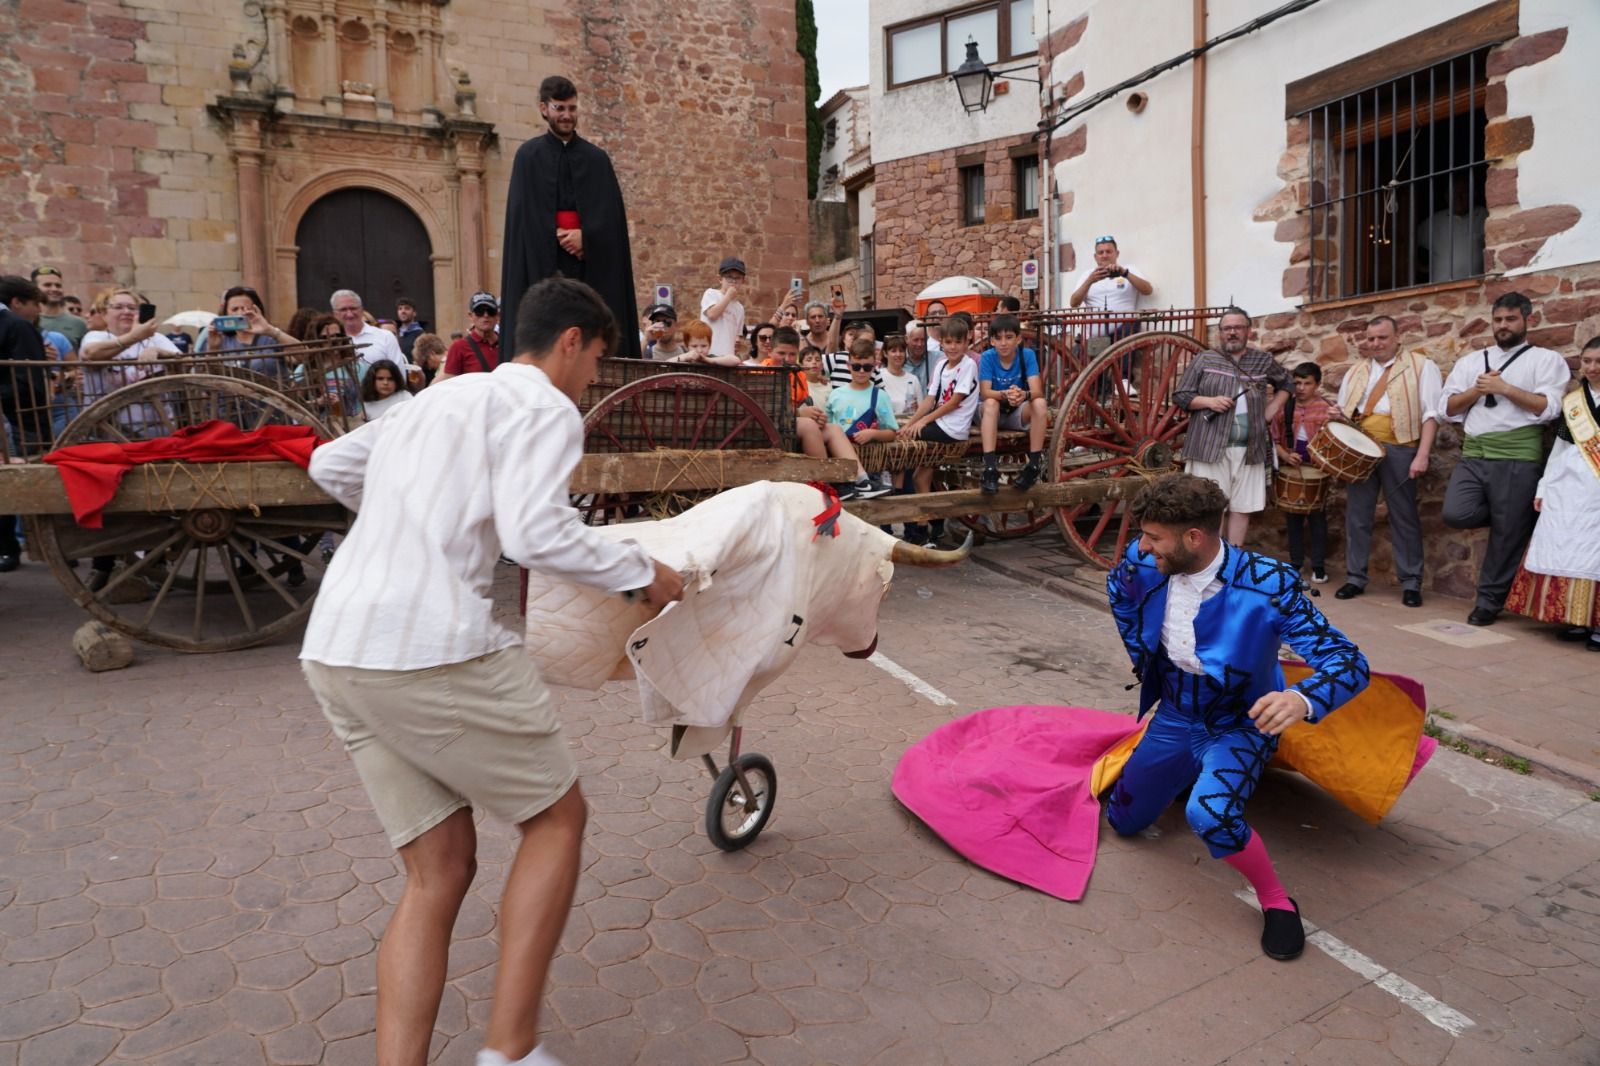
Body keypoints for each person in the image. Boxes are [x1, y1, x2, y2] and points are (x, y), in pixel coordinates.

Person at [300, 278, 683, 1066]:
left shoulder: (440, 398)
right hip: (431, 646)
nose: (593, 379)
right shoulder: (544, 405)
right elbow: (535, 531)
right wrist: (639, 571)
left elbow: (330, 466)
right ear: (571, 341)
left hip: (338, 647)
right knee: (557, 820)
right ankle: (511, 1053)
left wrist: (411, 517)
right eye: (597, 359)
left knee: (438, 871)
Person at [1107, 473, 1369, 961]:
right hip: (1175, 715)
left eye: (1154, 536)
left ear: (1194, 538)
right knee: (1124, 822)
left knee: (1209, 814)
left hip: (1240, 724)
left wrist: (1303, 698)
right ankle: (1185, 775)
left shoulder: (1272, 583)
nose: (1142, 546)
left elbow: (1349, 662)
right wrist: (1143, 656)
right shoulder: (1142, 562)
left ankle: (1276, 900)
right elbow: (1120, 592)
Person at [1440, 291, 1570, 626]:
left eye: (1510, 319)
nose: (1503, 325)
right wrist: (1477, 390)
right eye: (1498, 319)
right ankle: (1511, 517)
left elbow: (1550, 409)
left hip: (1517, 454)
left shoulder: (1545, 360)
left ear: (1528, 320)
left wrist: (1506, 389)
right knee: (1456, 512)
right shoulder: (1471, 361)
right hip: (1474, 453)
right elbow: (1448, 408)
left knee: (1507, 536)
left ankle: (1488, 602)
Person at [502, 76, 640, 361]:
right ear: (544, 108)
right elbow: (523, 221)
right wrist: (554, 234)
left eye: (572, 108)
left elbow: (612, 222)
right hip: (544, 266)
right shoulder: (528, 157)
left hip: (590, 267)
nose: (567, 115)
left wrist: (586, 237)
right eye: (559, 108)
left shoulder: (597, 159)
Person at [1333, 316, 1443, 607]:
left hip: (1401, 446)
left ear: (1397, 337)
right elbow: (1345, 414)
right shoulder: (1356, 371)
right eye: (1371, 338)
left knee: (1404, 516)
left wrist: (1422, 454)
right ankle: (1355, 577)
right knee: (1357, 515)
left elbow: (1431, 414)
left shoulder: (1422, 367)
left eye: (1382, 338)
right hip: (1361, 448)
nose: (1376, 343)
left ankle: (1411, 582)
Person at [1505, 337, 1600, 651]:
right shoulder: (1575, 401)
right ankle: (1576, 619)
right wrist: (1544, 487)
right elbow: (1560, 447)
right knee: (1569, 545)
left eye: (1599, 361)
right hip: (1569, 484)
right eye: (1587, 361)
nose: (1592, 367)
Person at [1175, 307, 1291, 546]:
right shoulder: (1206, 359)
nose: (1232, 332)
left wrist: (1271, 411)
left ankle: (1232, 559)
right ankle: (1210, 560)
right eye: (1227, 328)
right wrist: (1210, 401)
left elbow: (1287, 383)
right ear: (1220, 333)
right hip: (1210, 446)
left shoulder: (1263, 361)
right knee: (1211, 508)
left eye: (1238, 327)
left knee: (1242, 506)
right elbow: (1182, 395)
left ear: (1248, 331)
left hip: (1250, 447)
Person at [899, 316, 980, 546]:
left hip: (952, 429)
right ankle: (927, 531)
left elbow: (954, 402)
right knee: (919, 476)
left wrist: (922, 423)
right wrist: (912, 422)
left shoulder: (969, 366)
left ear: (966, 343)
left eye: (957, 342)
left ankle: (921, 528)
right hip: (939, 423)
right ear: (941, 343)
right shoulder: (941, 365)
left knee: (905, 446)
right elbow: (929, 400)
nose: (953, 347)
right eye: (948, 342)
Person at [0, 276, 55, 573]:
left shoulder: (17, 327)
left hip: (20, 420)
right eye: (35, 304)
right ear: (18, 302)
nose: (38, 311)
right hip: (17, 419)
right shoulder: (16, 325)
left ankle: (50, 545)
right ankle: (9, 546)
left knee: (31, 484)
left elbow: (29, 382)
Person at [1272, 362, 1338, 584]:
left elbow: (1336, 440)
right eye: (1297, 383)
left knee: (1318, 520)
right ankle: (1295, 563)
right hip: (1292, 468)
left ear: (1317, 384)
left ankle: (1318, 566)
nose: (1301, 388)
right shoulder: (1285, 408)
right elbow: (1274, 439)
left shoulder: (1326, 408)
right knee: (1293, 520)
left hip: (1317, 470)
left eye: (1306, 383)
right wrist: (1285, 455)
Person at [977, 313, 1047, 493]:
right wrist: (1006, 394)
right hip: (992, 412)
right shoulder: (988, 357)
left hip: (1016, 410)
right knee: (992, 403)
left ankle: (1033, 464)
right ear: (992, 341)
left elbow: (1037, 391)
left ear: (1018, 339)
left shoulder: (1027, 355)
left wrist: (1024, 394)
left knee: (1039, 403)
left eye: (1009, 337)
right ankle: (990, 468)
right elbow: (985, 392)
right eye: (998, 338)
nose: (1003, 343)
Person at [1069, 236, 1153, 358]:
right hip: (1096, 338)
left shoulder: (1129, 270)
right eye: (1100, 252)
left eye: (1108, 251)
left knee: (1123, 371)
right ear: (1095, 256)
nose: (1104, 255)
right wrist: (1090, 281)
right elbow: (1074, 303)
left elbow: (1148, 290)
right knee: (1099, 375)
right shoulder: (1087, 275)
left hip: (1124, 332)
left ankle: (1124, 377)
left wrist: (1125, 274)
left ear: (1116, 253)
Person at [198, 285, 297, 374]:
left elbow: (303, 357)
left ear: (256, 310)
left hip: (269, 393)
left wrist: (270, 330)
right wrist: (213, 349)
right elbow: (208, 378)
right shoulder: (220, 339)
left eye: (245, 308)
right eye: (234, 309)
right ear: (226, 313)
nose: (240, 313)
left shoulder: (270, 338)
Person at [827, 337, 899, 448]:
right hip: (839, 455)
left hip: (871, 457)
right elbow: (827, 429)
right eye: (856, 367)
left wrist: (874, 434)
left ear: (874, 366)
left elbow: (892, 433)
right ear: (848, 366)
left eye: (867, 367)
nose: (861, 371)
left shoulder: (881, 396)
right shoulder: (835, 394)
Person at [330, 289, 408, 378]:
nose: (349, 314)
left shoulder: (385, 337)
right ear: (334, 314)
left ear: (362, 310)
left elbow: (400, 376)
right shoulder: (329, 342)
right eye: (343, 310)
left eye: (353, 308)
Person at [436, 293, 502, 382]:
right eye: (480, 312)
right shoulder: (458, 347)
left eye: (490, 311)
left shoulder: (507, 344)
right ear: (471, 316)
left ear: (497, 315)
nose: (485, 315)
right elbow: (449, 384)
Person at [700, 256, 747, 365]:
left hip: (726, 358)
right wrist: (728, 297)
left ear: (743, 281)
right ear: (720, 279)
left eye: (737, 278)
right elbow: (712, 314)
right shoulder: (711, 294)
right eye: (729, 277)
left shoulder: (739, 308)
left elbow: (736, 336)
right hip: (708, 354)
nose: (733, 282)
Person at [31, 267, 87, 354]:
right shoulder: (29, 320)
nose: (54, 289)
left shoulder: (78, 323)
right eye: (47, 285)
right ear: (35, 288)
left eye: (58, 286)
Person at [880, 334, 923, 425]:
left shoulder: (913, 379)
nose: (898, 354)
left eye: (901, 351)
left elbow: (921, 410)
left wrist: (917, 408)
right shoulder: (878, 375)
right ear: (885, 353)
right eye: (893, 351)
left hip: (908, 427)